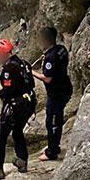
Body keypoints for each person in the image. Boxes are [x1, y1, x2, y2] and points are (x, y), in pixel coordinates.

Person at [0, 39, 37, 180]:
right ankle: (22, 160)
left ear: (1, 54)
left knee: (0, 135)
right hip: (29, 103)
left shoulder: (8, 69)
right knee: (18, 131)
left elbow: (9, 90)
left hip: (16, 105)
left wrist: (2, 94)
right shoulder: (24, 64)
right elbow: (31, 83)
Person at [32, 27, 72, 161]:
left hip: (57, 93)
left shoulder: (50, 57)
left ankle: (52, 151)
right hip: (65, 87)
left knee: (52, 122)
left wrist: (31, 72)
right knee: (57, 118)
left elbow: (47, 78)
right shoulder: (61, 49)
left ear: (45, 40)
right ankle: (54, 146)